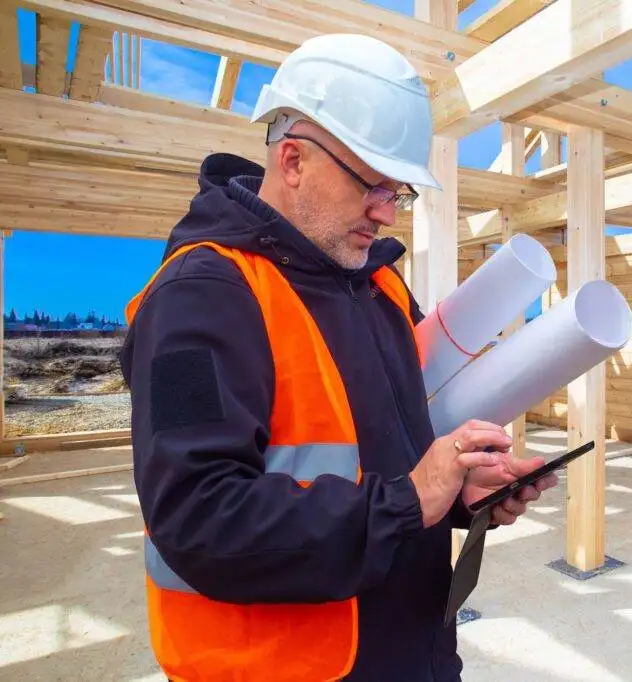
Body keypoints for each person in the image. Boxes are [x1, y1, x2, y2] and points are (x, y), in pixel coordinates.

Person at [118, 33, 558, 682]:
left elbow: (400, 459)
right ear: (293, 160)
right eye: (372, 186)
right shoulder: (200, 298)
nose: (387, 212)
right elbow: (198, 516)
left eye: (398, 191)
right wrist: (410, 501)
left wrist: (460, 495)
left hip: (415, 654)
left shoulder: (378, 288)